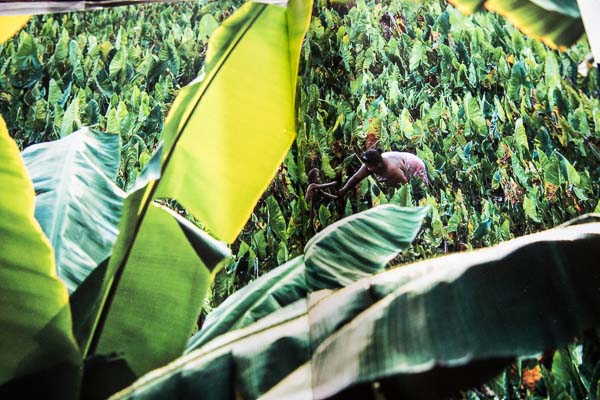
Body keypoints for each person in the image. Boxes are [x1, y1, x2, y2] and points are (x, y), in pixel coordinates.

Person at [337, 148, 429, 197]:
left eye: (370, 167)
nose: (368, 169)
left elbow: (406, 187)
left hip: (413, 164)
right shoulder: (368, 164)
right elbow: (356, 178)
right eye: (367, 166)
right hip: (402, 159)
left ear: (378, 165)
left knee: (419, 192)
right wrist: (344, 190)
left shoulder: (392, 169)